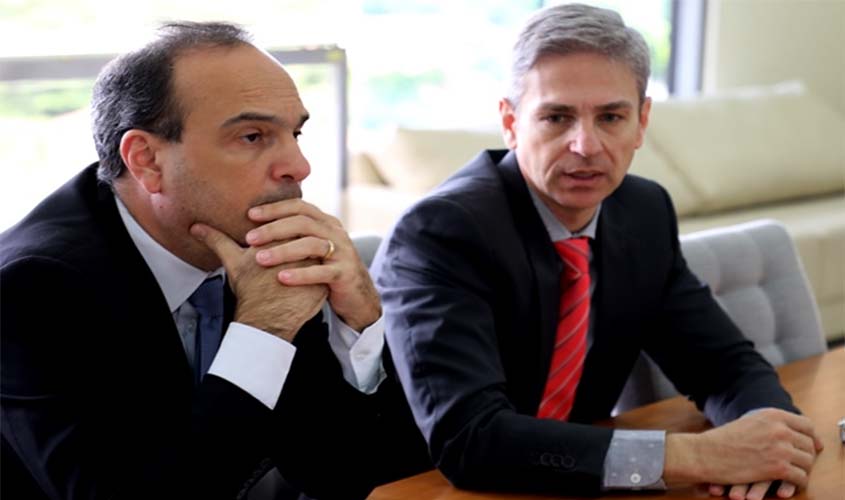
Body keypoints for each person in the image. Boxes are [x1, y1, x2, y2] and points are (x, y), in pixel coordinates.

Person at [371, 4, 823, 500]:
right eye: (557, 117)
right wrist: (697, 456)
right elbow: (472, 440)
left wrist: (771, 439)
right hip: (430, 488)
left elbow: (723, 365)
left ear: (642, 121)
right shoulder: (442, 232)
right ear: (511, 122)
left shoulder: (642, 212)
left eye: (610, 117)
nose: (585, 145)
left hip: (581, 484)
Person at [0, 21, 429, 500]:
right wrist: (264, 331)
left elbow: (352, 472)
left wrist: (361, 322)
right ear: (146, 160)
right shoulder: (31, 287)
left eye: (295, 133)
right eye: (253, 136)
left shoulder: (257, 246)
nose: (299, 166)